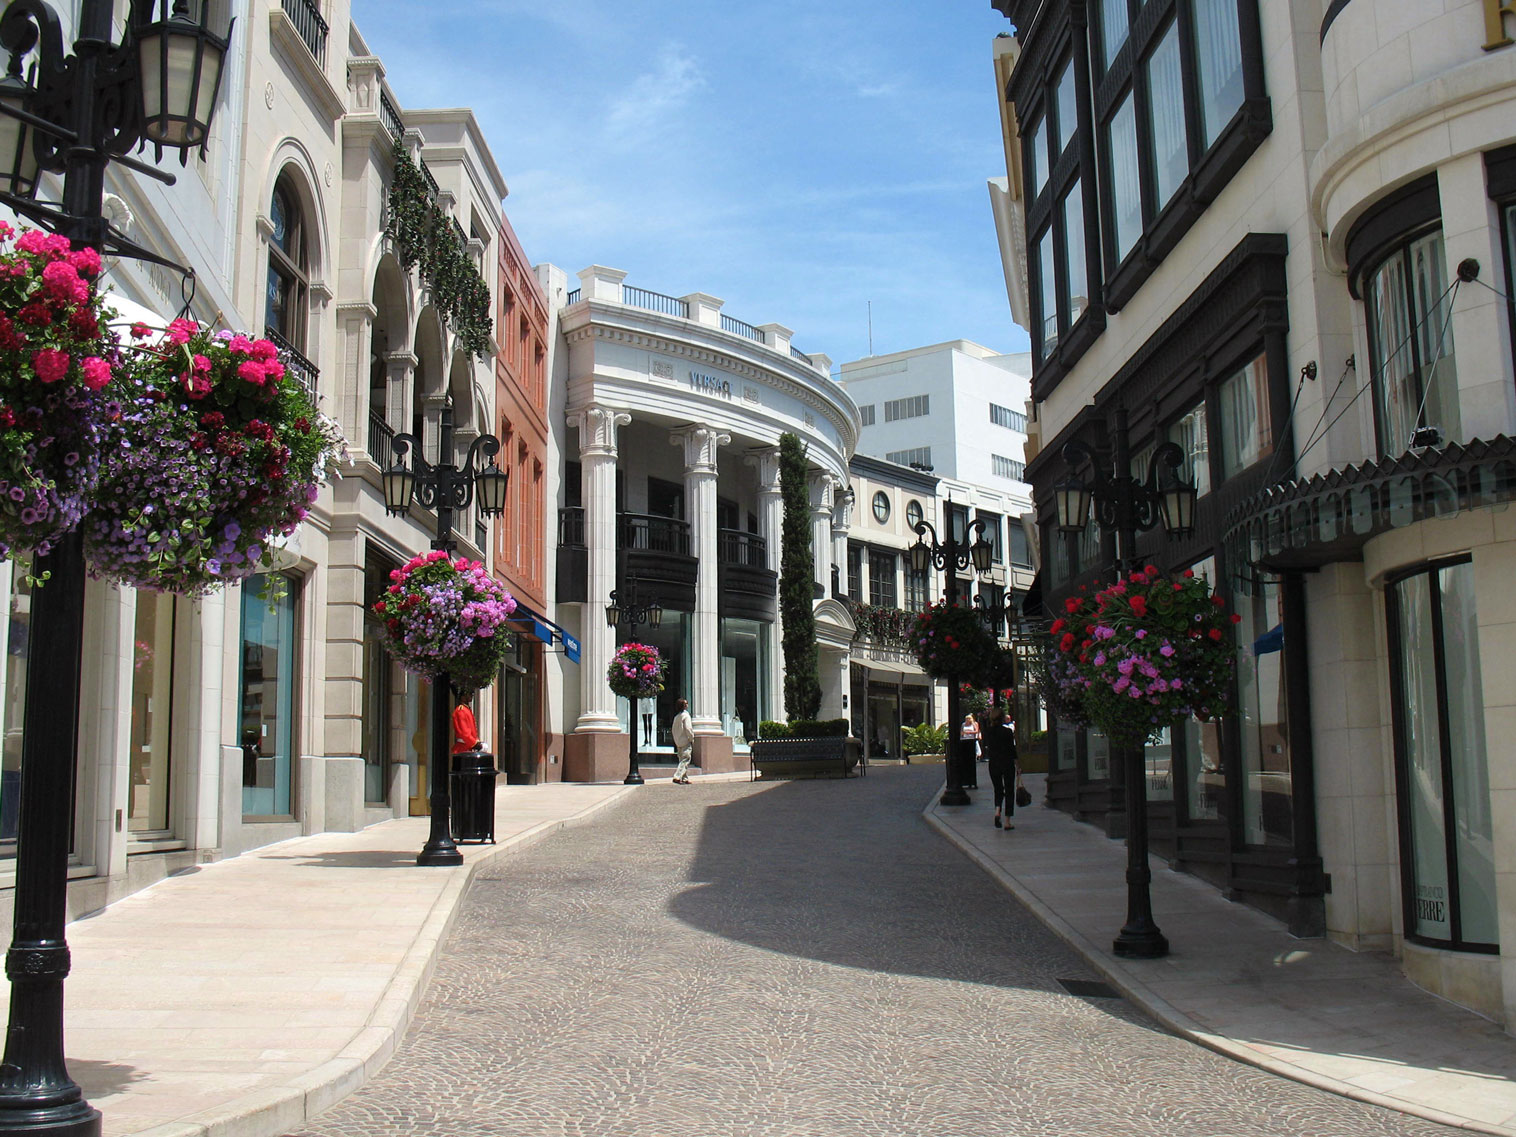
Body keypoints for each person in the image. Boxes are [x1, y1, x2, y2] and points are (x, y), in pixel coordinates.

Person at [981, 706, 1019, 830]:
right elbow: (1012, 750)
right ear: (1002, 718)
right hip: (1007, 763)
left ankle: (997, 811)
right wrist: (1018, 765)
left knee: (998, 789)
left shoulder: (988, 732)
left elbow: (986, 747)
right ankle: (1007, 821)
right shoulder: (1007, 732)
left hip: (994, 764)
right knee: (1009, 790)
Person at [670, 698, 694, 784]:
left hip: (678, 741)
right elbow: (688, 728)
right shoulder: (686, 716)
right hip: (685, 741)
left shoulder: (676, 717)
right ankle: (677, 776)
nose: (687, 705)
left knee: (682, 759)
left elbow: (673, 729)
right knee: (686, 759)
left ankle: (684, 778)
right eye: (686, 704)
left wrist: (676, 739)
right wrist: (691, 738)